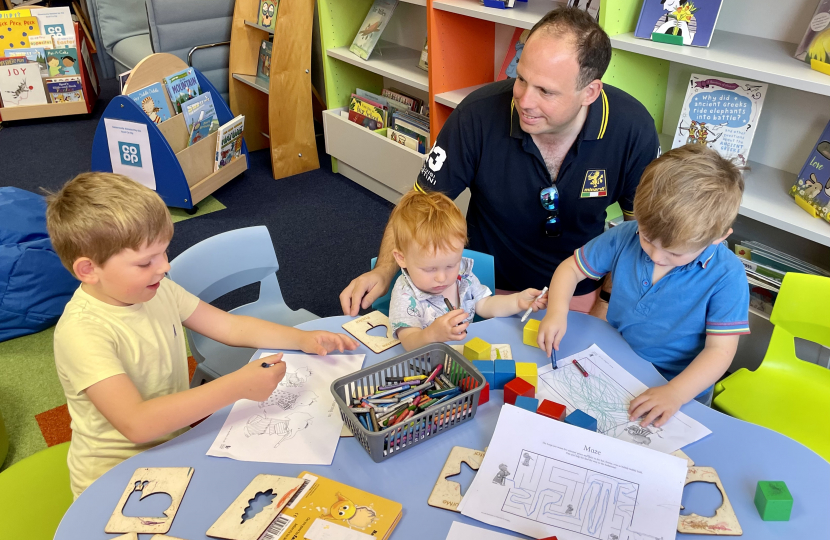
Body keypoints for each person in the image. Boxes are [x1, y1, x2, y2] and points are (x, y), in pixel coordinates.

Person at [46, 172, 358, 498]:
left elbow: (229, 326)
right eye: (145, 262)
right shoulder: (82, 333)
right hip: (112, 477)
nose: (164, 267)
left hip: (174, 445)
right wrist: (238, 386)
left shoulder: (158, 289)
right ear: (88, 270)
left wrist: (300, 339)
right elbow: (136, 424)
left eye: (164, 252)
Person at [341, 7, 659, 318]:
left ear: (589, 92)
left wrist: (604, 301)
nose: (524, 100)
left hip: (581, 291)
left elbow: (639, 233)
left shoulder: (633, 130)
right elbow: (417, 206)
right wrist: (384, 270)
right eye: (521, 79)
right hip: (483, 289)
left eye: (546, 91)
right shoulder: (475, 115)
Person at [537, 145, 750, 427]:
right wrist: (556, 311)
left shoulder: (727, 276)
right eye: (647, 238)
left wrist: (675, 393)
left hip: (678, 390)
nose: (656, 256)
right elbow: (570, 269)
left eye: (674, 253)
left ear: (719, 237)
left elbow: (720, 352)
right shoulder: (626, 235)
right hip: (616, 365)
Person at [387, 191, 547, 351]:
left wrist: (517, 301)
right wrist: (432, 334)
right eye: (429, 269)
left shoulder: (463, 275)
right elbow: (409, 342)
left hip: (465, 355)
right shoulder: (405, 295)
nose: (442, 278)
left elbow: (485, 305)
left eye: (451, 265)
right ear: (401, 258)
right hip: (429, 365)